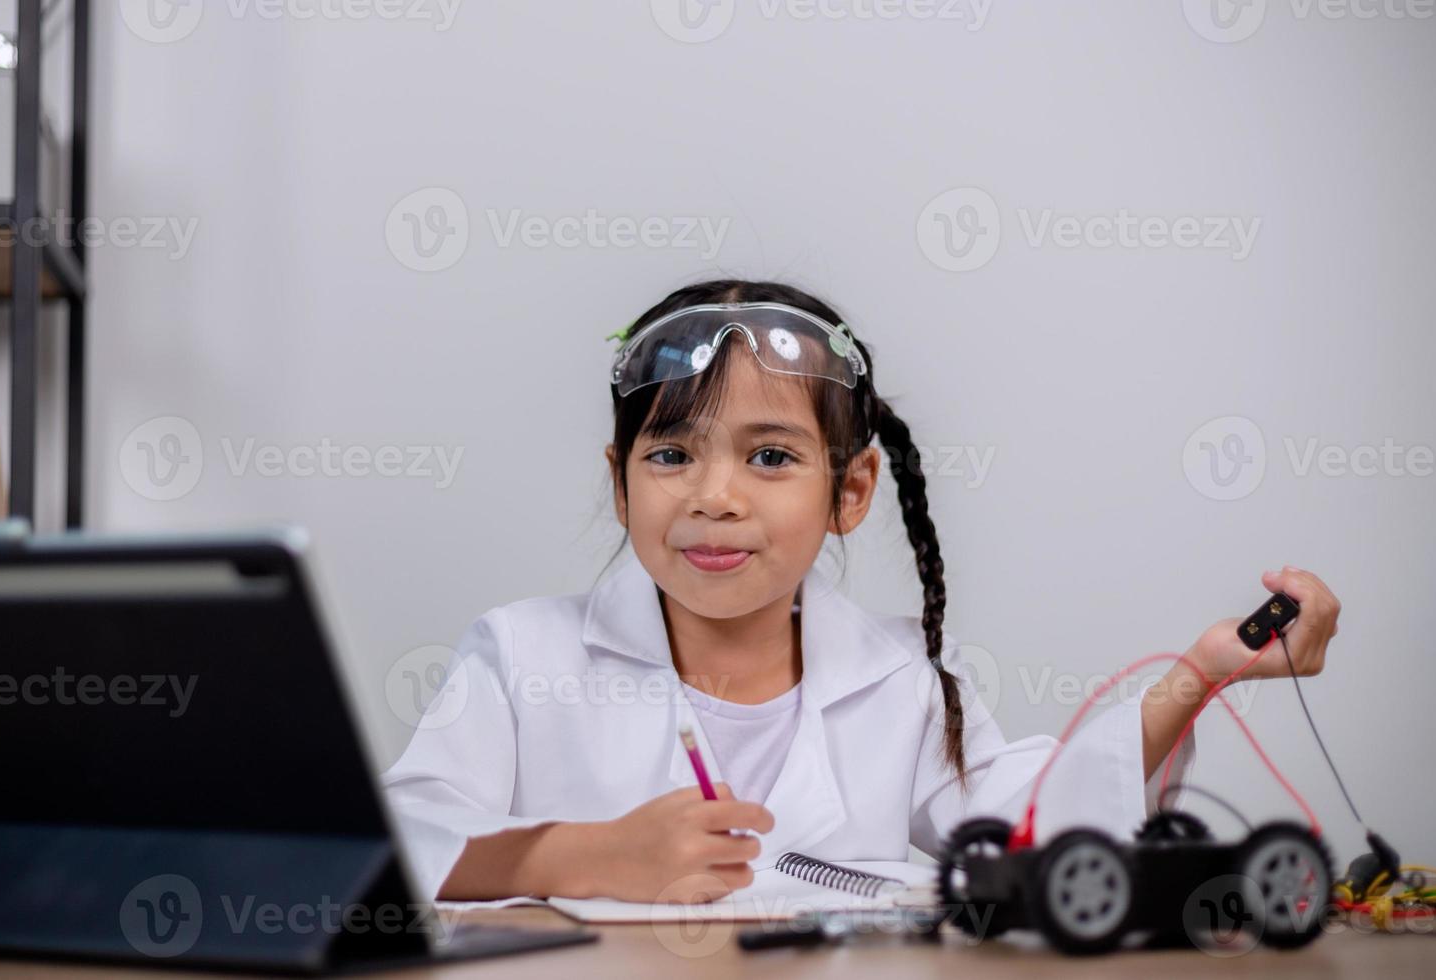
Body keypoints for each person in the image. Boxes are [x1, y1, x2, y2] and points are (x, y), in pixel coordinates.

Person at [381, 279, 1342, 903]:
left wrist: (1203, 672)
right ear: (620, 478)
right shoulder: (519, 658)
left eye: (769, 455)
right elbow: (392, 846)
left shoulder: (905, 680)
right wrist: (579, 857)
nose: (714, 496)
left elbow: (1035, 828)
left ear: (849, 492)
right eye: (670, 453)